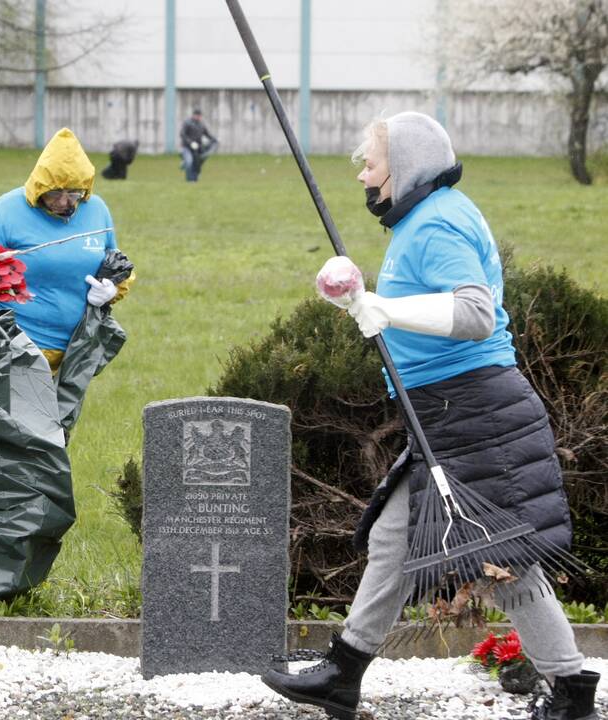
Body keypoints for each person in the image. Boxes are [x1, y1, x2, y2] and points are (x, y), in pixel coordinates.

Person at [262, 112, 600, 720]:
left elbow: (473, 314)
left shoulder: (437, 221)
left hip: (476, 413)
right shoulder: (422, 220)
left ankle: (571, 691)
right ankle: (344, 670)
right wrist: (367, 304)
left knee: (503, 564)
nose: (364, 176)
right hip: (452, 411)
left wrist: (386, 309)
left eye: (371, 164)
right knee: (396, 537)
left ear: (406, 168)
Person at [0, 127, 134, 373]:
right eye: (56, 192)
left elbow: (116, 264)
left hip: (77, 351)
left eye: (74, 193)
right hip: (16, 348)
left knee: (63, 413)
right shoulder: (4, 212)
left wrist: (112, 289)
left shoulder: (97, 210)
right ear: (41, 186)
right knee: (22, 411)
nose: (64, 202)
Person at [179, 108, 217, 182]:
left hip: (197, 148)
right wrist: (190, 143)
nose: (198, 117)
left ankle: (194, 179)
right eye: (197, 115)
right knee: (189, 161)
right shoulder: (187, 123)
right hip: (187, 147)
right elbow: (182, 134)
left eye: (199, 115)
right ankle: (189, 180)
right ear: (193, 115)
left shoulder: (201, 125)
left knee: (197, 164)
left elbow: (207, 134)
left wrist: (215, 139)